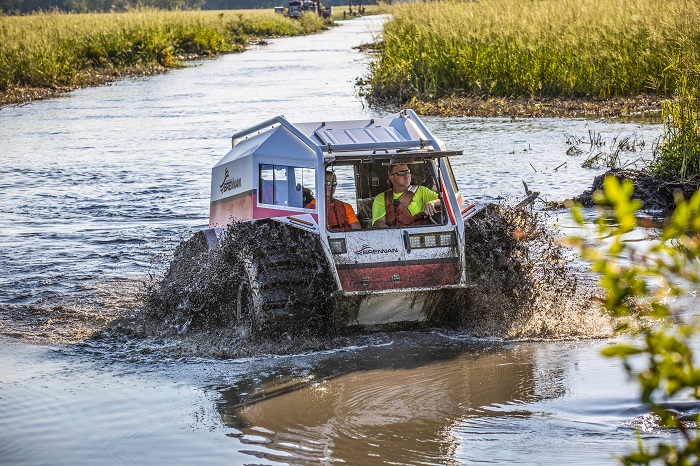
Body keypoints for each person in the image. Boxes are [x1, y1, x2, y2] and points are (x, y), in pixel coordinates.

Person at [372, 163, 440, 228]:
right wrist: (394, 236)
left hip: (419, 235)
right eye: (401, 173)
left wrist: (433, 203)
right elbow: (379, 223)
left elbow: (444, 201)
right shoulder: (382, 198)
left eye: (408, 171)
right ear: (391, 177)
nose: (407, 175)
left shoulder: (422, 191)